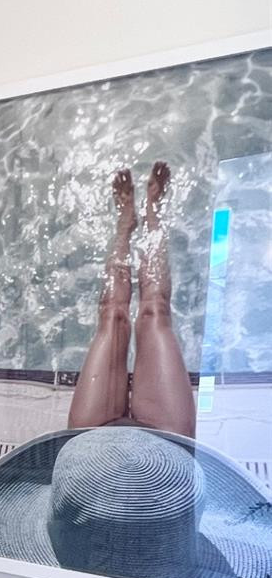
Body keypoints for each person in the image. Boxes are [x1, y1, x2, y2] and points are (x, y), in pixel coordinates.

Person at [67, 162, 196, 438]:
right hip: (167, 446)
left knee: (113, 316)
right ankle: (152, 214)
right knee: (155, 312)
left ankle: (128, 224)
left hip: (89, 445)